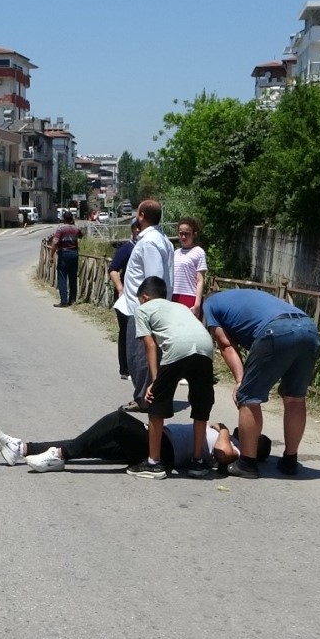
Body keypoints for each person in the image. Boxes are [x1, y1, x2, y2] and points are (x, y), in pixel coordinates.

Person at [203, 288, 320, 479]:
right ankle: (290, 460)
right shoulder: (239, 296)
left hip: (276, 331)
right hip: (309, 328)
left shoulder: (209, 305)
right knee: (295, 398)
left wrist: (241, 381)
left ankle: (247, 463)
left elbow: (226, 345)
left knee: (248, 397)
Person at [126, 276, 215, 479]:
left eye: (140, 299)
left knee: (157, 404)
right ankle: (198, 462)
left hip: (177, 347)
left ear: (145, 297)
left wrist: (155, 382)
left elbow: (150, 346)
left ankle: (154, 463)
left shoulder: (142, 309)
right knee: (201, 405)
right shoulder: (180, 307)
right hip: (205, 347)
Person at [0, 411, 270, 476]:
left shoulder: (233, 448)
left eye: (253, 437)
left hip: (165, 450)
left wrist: (221, 430)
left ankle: (59, 454)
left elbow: (221, 453)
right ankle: (22, 449)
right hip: (157, 440)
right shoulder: (231, 438)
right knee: (93, 442)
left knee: (119, 421)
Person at [120, 199, 174, 412]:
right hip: (145, 307)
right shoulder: (161, 240)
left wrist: (148, 308)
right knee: (147, 355)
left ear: (142, 215)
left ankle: (144, 397)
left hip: (142, 309)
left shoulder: (150, 242)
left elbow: (154, 278)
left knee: (140, 355)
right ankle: (151, 395)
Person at [108, 218, 141, 380]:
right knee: (126, 331)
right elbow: (113, 270)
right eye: (136, 228)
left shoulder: (146, 247)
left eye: (140, 228)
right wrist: (120, 289)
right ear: (132, 230)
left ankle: (139, 366)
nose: (138, 231)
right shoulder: (126, 248)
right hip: (125, 296)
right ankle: (125, 368)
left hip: (141, 297)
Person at [172, 217, 207, 315]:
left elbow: (200, 280)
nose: (183, 237)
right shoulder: (175, 253)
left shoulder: (199, 252)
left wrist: (197, 304)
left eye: (186, 234)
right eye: (181, 233)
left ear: (194, 234)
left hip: (189, 297)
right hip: (174, 296)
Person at [48, 210, 82, 307]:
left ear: (63, 219)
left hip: (64, 254)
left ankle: (64, 301)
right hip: (74, 254)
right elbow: (81, 235)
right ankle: (72, 299)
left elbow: (55, 242)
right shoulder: (76, 228)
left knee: (62, 277)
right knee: (73, 277)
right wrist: (74, 224)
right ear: (72, 219)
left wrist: (51, 255)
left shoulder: (60, 229)